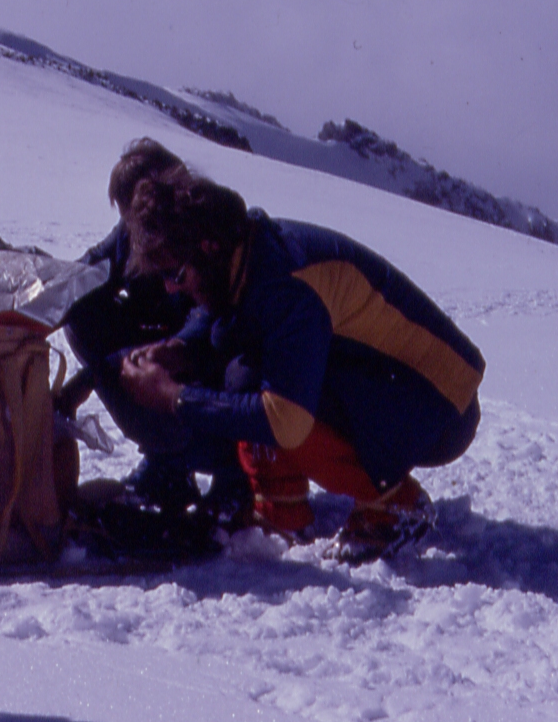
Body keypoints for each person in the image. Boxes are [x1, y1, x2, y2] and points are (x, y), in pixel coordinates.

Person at [117, 170, 485, 562]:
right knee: (247, 370)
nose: (171, 287)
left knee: (265, 388)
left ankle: (394, 507)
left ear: (208, 247)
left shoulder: (286, 282)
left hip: (439, 407)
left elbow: (285, 421)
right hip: (410, 390)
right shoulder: (247, 253)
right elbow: (224, 318)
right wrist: (181, 347)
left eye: (175, 274)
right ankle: (282, 509)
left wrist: (175, 398)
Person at [61, 139, 246, 515]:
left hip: (209, 367)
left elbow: (207, 327)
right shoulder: (131, 234)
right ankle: (166, 464)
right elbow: (88, 271)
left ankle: (230, 472)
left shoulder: (202, 240)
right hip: (167, 345)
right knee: (81, 315)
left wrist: (110, 370)